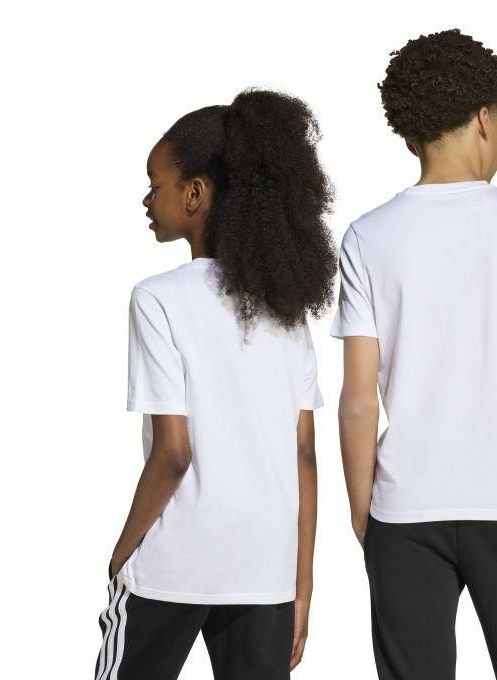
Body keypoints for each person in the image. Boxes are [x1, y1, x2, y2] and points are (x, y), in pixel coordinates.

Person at [330, 29, 497, 680]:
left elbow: (358, 401)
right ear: (483, 118)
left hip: (406, 509)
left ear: (410, 136)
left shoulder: (367, 237)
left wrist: (366, 516)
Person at [94, 88, 338, 680]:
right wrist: (301, 586)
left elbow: (174, 454)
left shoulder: (158, 299)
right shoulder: (286, 312)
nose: (147, 199)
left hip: (175, 565)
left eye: (155, 183)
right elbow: (305, 457)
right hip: (265, 572)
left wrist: (123, 551)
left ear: (195, 193)